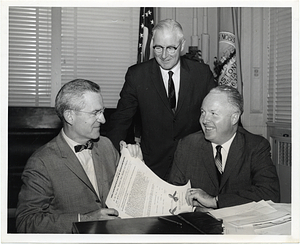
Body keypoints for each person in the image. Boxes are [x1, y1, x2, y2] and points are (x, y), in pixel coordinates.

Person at [15, 79, 142, 233]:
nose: (103, 119)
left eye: (102, 111)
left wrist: (135, 165)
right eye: (96, 113)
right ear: (70, 116)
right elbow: (26, 222)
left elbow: (127, 197)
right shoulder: (42, 162)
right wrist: (84, 220)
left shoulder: (106, 145)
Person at [107, 19, 216, 180]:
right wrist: (107, 157)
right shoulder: (137, 75)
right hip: (153, 167)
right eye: (158, 48)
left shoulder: (201, 73)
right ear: (152, 44)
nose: (164, 56)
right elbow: (121, 121)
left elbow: (219, 113)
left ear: (182, 45)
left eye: (171, 48)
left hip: (194, 165)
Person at [168, 85, 280, 209]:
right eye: (202, 112)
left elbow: (270, 193)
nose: (205, 120)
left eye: (213, 113)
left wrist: (215, 201)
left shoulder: (255, 146)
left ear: (234, 118)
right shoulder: (187, 145)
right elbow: (173, 193)